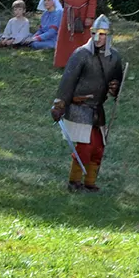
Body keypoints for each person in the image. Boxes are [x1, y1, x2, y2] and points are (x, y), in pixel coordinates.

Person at [51, 16, 124, 192]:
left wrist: (115, 88)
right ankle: (74, 182)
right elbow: (67, 82)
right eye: (94, 33)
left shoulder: (114, 58)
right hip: (79, 107)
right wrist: (59, 105)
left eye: (102, 34)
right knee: (85, 147)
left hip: (97, 110)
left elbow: (116, 83)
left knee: (98, 148)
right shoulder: (80, 54)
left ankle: (90, 182)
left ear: (109, 35)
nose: (98, 38)